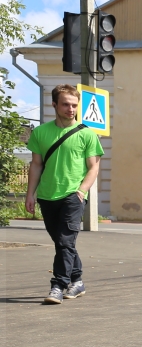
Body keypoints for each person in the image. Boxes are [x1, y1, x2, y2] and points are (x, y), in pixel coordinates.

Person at [25, 84, 104, 304]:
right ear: (54, 105)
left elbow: (93, 167)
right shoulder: (41, 132)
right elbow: (36, 165)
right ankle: (77, 280)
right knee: (63, 243)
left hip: (73, 195)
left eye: (74, 105)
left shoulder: (87, 134)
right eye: (66, 104)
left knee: (64, 240)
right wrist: (30, 194)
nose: (71, 109)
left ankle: (58, 286)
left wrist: (82, 190)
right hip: (47, 195)